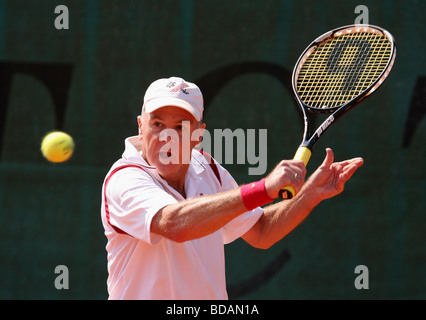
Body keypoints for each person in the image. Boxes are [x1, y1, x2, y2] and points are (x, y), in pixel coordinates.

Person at [101, 76, 364, 300]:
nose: (166, 138)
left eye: (180, 127)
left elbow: (262, 231)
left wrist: (309, 195)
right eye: (157, 124)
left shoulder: (209, 169)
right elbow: (174, 223)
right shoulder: (124, 179)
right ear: (140, 126)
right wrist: (263, 189)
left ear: (198, 135)